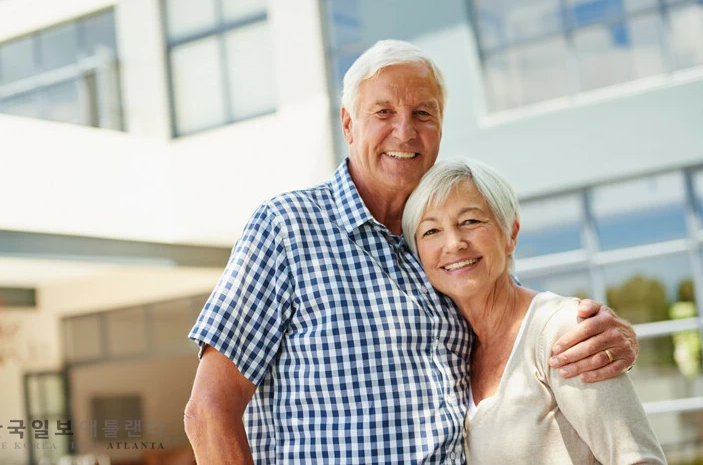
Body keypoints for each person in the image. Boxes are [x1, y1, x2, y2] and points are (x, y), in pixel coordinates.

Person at [185, 40, 639, 464]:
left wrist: (600, 335)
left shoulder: (448, 250)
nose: (405, 132)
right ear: (348, 123)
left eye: (423, 112)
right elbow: (207, 411)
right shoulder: (286, 227)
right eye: (383, 111)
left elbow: (521, 330)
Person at [402, 157, 664, 464]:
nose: (454, 243)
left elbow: (637, 458)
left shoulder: (562, 329)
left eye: (470, 221)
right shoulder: (456, 352)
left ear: (511, 233)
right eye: (431, 231)